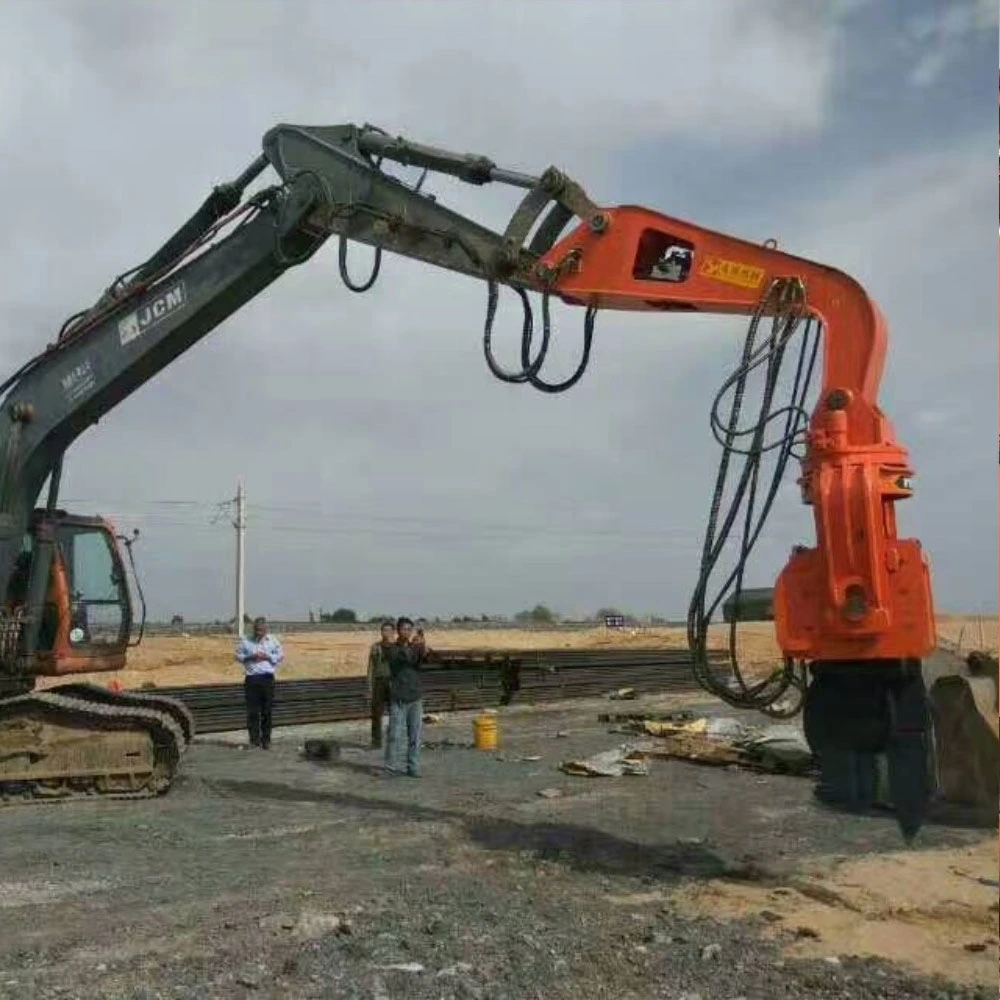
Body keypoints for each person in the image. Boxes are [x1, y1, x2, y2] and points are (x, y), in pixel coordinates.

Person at [383, 615, 426, 777]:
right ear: (398, 631)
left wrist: (422, 644)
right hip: (399, 697)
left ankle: (412, 767)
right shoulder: (392, 648)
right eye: (403, 629)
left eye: (409, 629)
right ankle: (390, 767)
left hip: (415, 696)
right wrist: (416, 646)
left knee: (415, 736)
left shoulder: (414, 647)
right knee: (394, 734)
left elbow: (421, 660)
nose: (407, 632)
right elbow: (405, 657)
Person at [234, 616, 284, 749]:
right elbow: (237, 656)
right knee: (253, 712)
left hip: (267, 678)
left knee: (267, 711)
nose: (259, 632)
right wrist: (250, 656)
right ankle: (254, 740)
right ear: (254, 629)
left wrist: (268, 656)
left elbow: (280, 657)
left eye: (262, 630)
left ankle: (266, 740)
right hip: (252, 679)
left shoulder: (273, 641)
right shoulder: (246, 641)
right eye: (257, 630)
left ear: (266, 629)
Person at [367, 619, 396, 749]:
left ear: (393, 632)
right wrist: (369, 686)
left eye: (389, 630)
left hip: (393, 682)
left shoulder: (397, 647)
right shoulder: (375, 647)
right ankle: (376, 741)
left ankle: (394, 739)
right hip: (379, 681)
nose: (386, 633)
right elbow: (371, 668)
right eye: (384, 630)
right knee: (376, 713)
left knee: (395, 713)